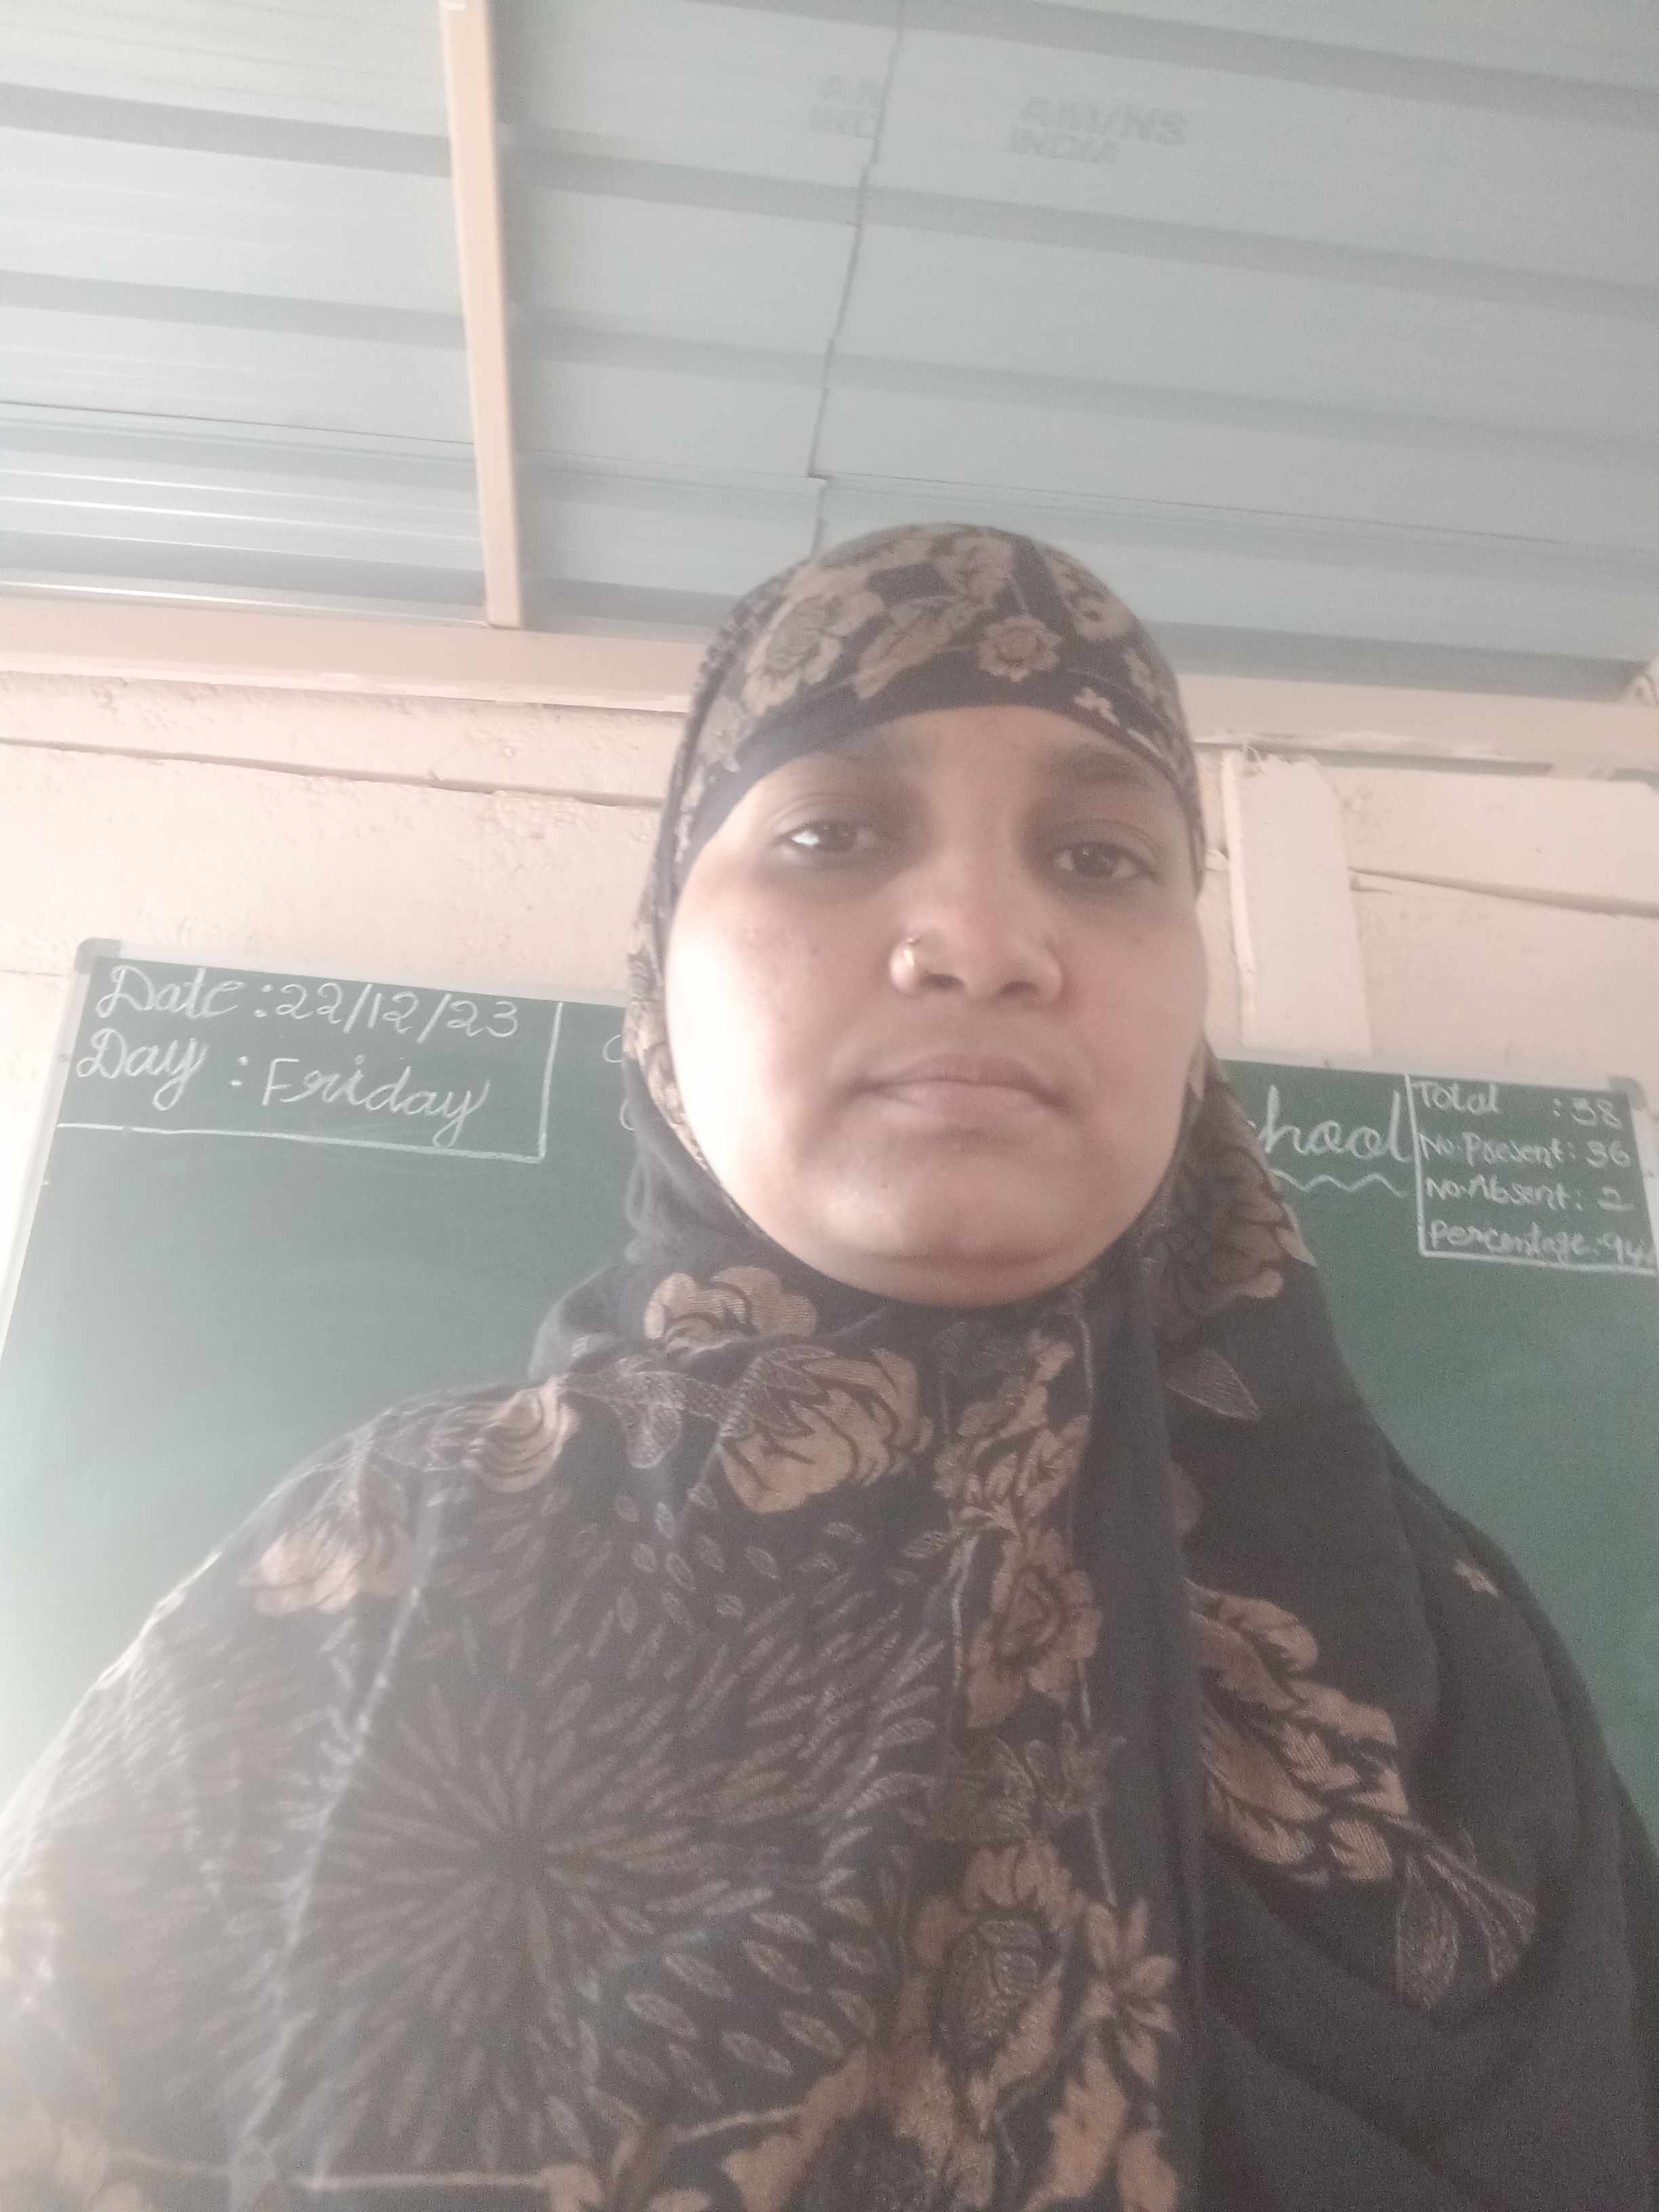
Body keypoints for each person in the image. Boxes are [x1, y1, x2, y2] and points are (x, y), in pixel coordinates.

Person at [1, 525, 1654, 2212]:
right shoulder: (377, 1575)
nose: (983, 939)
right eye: (831, 834)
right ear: (663, 968)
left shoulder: (1462, 1662)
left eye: (1101, 858)